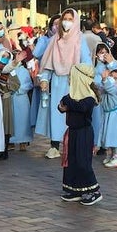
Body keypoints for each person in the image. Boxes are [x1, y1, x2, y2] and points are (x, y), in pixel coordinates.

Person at [35, 9, 93, 158]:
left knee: (73, 113)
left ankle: (71, 145)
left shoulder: (79, 39)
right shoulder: (55, 40)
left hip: (73, 83)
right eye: (64, 19)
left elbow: (86, 62)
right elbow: (47, 62)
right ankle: (54, 145)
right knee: (57, 113)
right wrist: (44, 79)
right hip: (57, 82)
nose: (66, 22)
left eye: (70, 19)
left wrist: (79, 74)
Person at [59, 64, 101, 205]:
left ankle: (94, 191)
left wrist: (67, 102)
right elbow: (61, 106)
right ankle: (75, 189)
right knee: (71, 161)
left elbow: (81, 107)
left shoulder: (90, 97)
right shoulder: (73, 96)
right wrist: (65, 104)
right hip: (72, 131)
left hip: (84, 133)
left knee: (83, 162)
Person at [96, 62, 117, 168]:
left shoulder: (116, 88)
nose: (112, 77)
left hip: (115, 115)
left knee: (115, 135)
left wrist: (105, 80)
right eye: (111, 74)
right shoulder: (107, 86)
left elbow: (110, 88)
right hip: (108, 114)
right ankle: (111, 155)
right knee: (108, 135)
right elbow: (102, 88)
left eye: (115, 76)